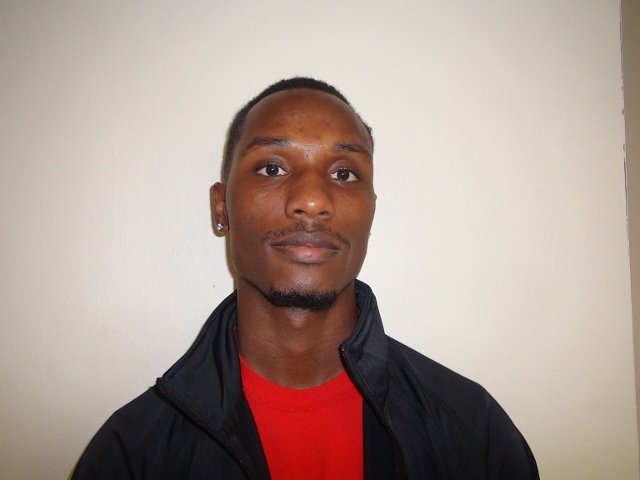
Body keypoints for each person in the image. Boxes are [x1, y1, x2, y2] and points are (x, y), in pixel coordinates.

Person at [71, 77, 539, 479]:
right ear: (221, 208)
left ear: (371, 211)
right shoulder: (132, 456)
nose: (312, 200)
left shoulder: (472, 433)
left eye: (345, 173)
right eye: (272, 168)